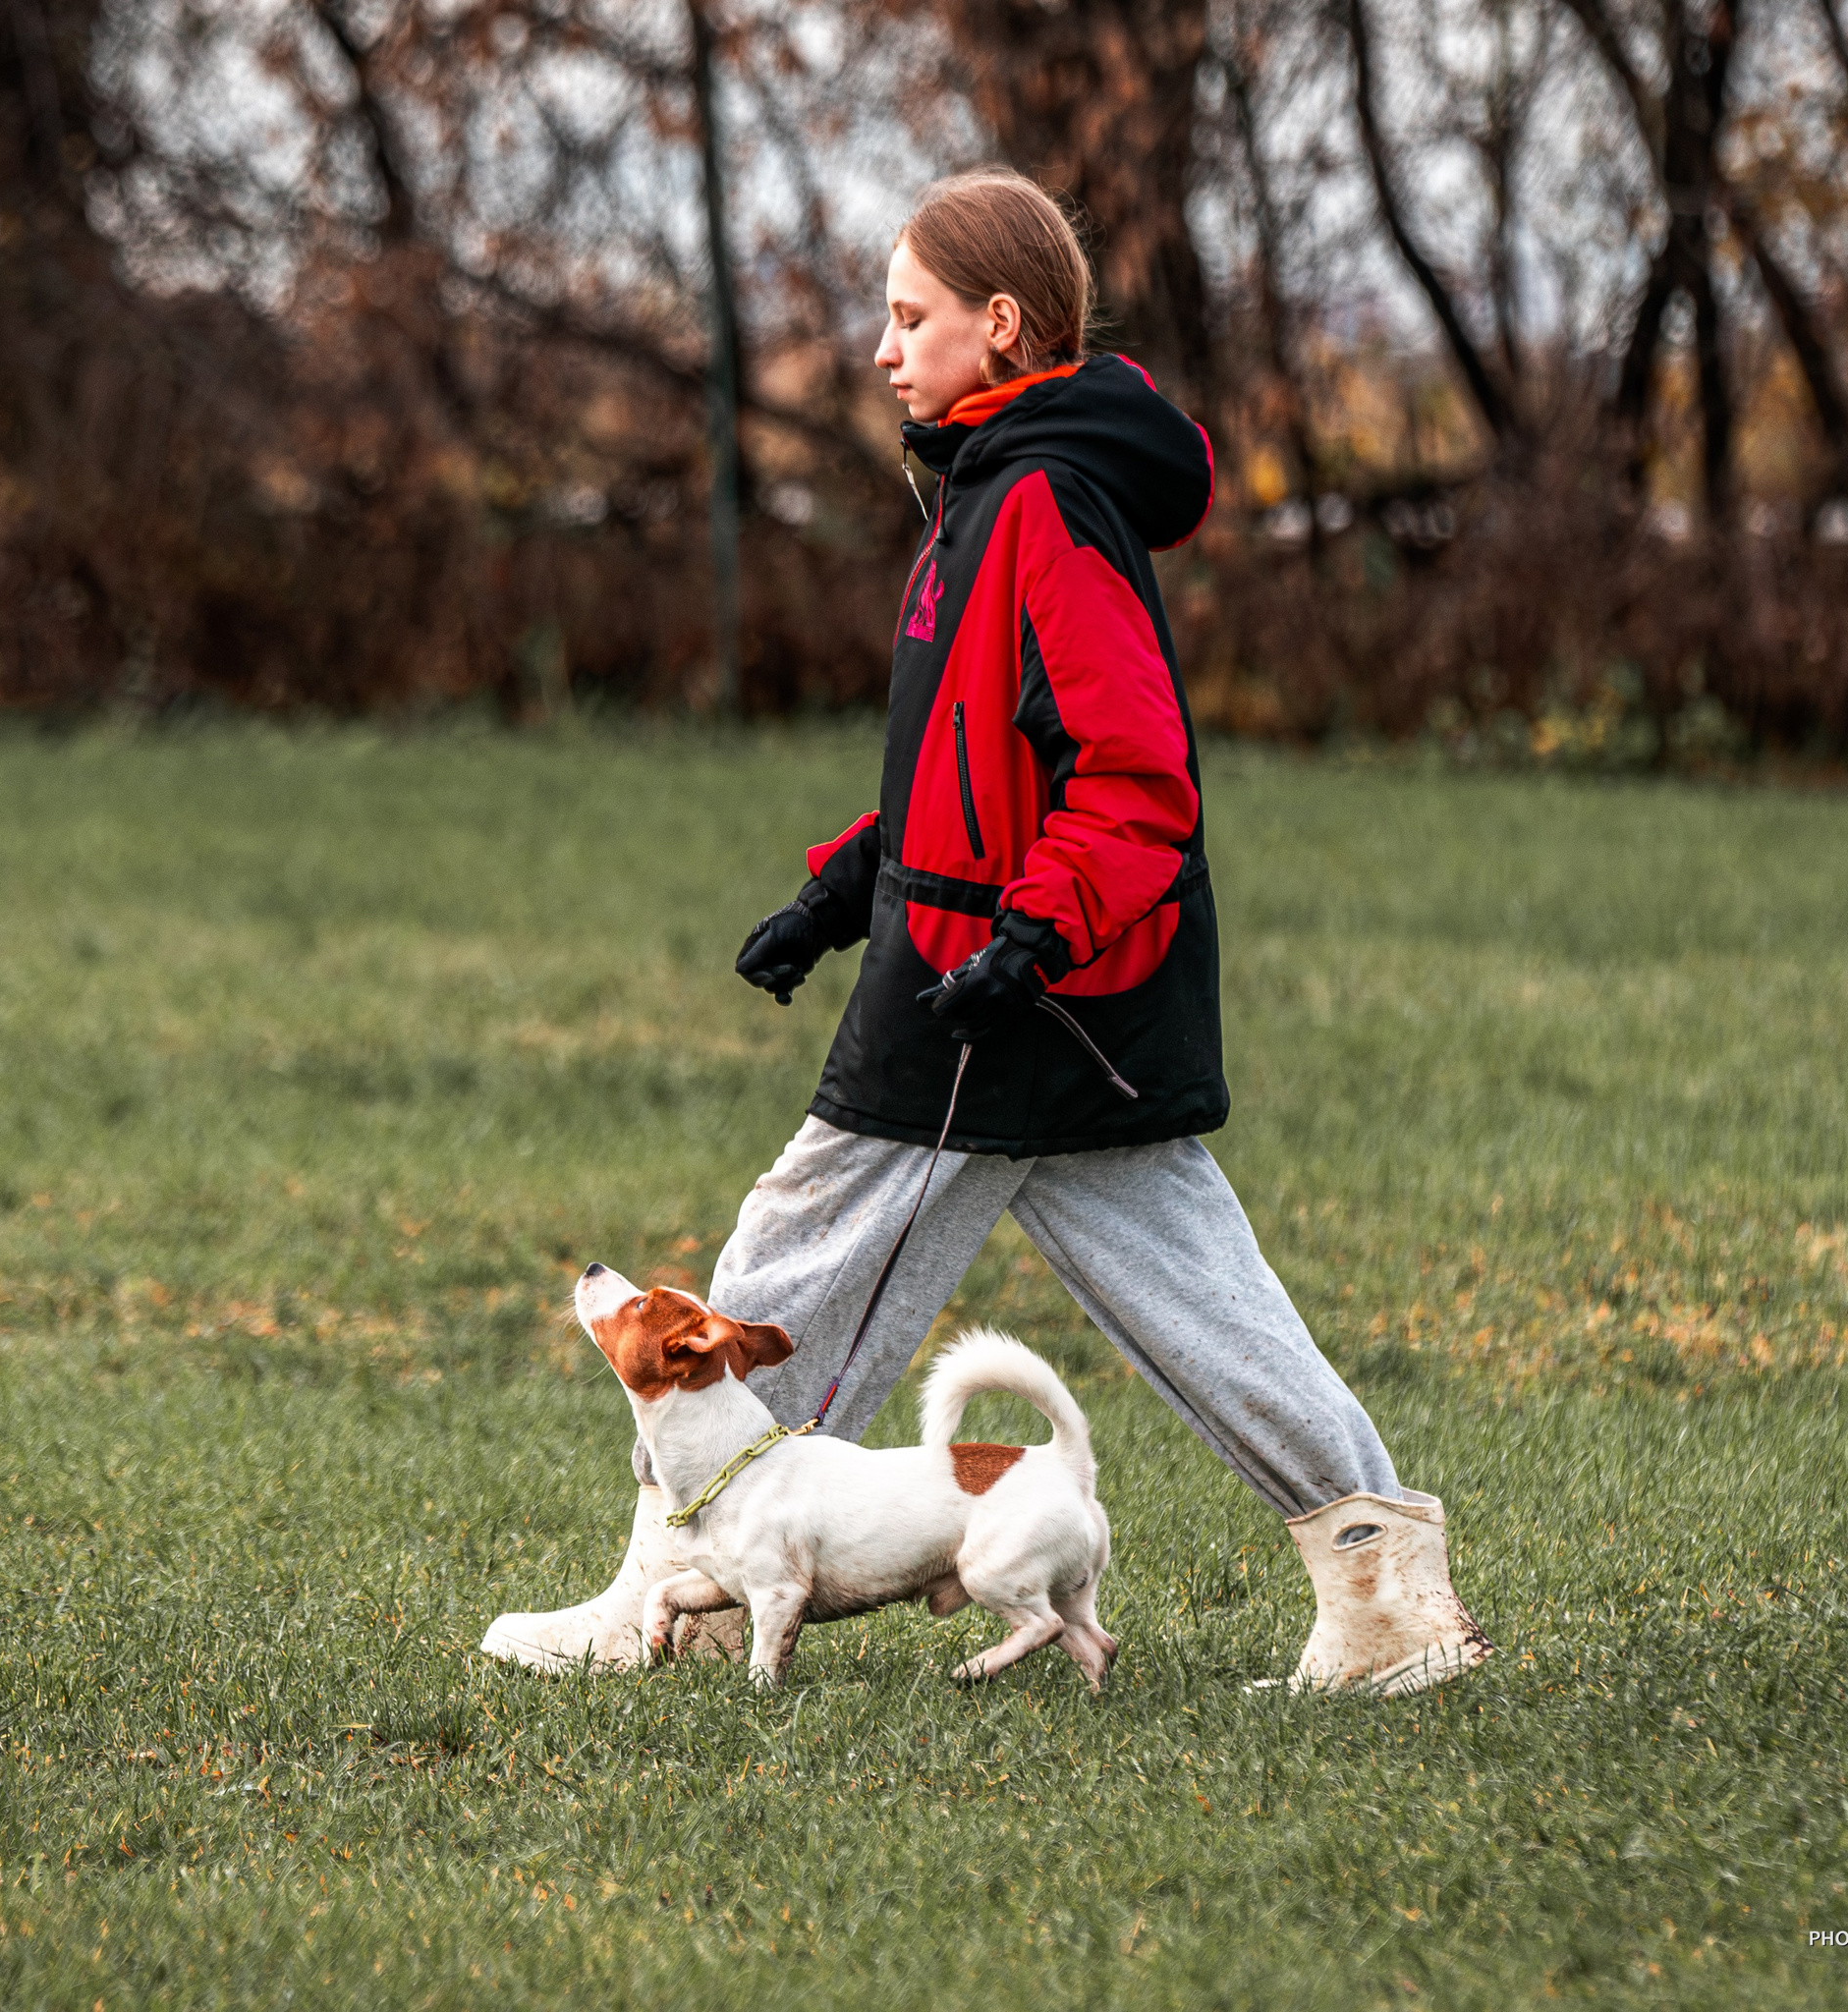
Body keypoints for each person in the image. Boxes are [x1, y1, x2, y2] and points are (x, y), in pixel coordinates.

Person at [483, 168, 1489, 1696]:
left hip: (994, 999)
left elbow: (1137, 775)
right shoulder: (983, 493)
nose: (885, 350)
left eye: (910, 317)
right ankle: (1388, 1593)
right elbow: (967, 770)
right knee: (1206, 1306)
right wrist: (842, 887)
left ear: (999, 325)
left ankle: (661, 1601)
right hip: (1020, 978)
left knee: (785, 1266)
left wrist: (1025, 939)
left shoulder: (1042, 502)